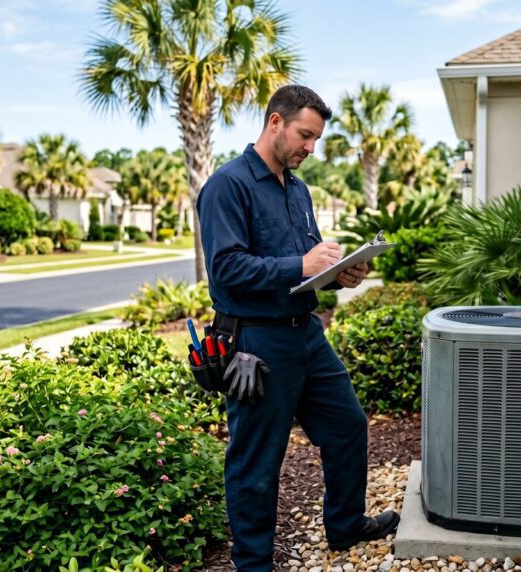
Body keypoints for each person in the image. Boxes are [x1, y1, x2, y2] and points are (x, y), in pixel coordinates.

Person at [197, 84, 400, 571]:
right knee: (257, 461)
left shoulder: (299, 188)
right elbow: (226, 270)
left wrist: (339, 274)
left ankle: (346, 525)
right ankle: (254, 564)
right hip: (255, 341)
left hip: (306, 335)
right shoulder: (228, 186)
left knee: (348, 425)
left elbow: (304, 267)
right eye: (305, 136)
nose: (311, 148)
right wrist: (301, 265)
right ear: (274, 123)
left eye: (316, 140)